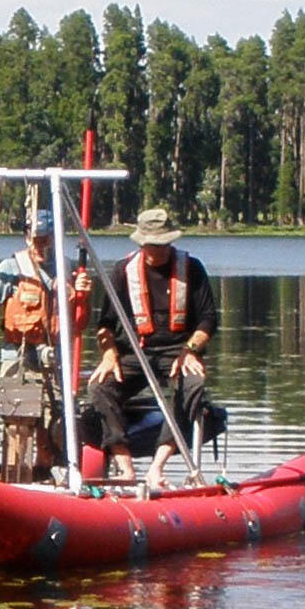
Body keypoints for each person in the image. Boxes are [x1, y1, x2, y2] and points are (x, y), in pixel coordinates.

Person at [88, 208, 218, 490]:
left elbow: (208, 319)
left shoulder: (192, 269)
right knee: (99, 387)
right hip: (135, 352)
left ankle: (157, 467)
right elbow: (105, 323)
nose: (154, 251)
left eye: (160, 245)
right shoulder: (123, 271)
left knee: (192, 385)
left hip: (177, 352)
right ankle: (125, 467)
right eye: (148, 245)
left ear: (170, 243)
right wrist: (109, 353)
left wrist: (191, 349)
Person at [0, 208, 91, 478]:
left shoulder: (70, 269)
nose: (41, 245)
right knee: (18, 425)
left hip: (55, 360)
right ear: (27, 237)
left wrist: (83, 296)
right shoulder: (10, 269)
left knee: (59, 426)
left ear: (54, 238)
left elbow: (79, 325)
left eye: (46, 238)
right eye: (36, 238)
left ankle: (52, 476)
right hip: (19, 358)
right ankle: (17, 478)